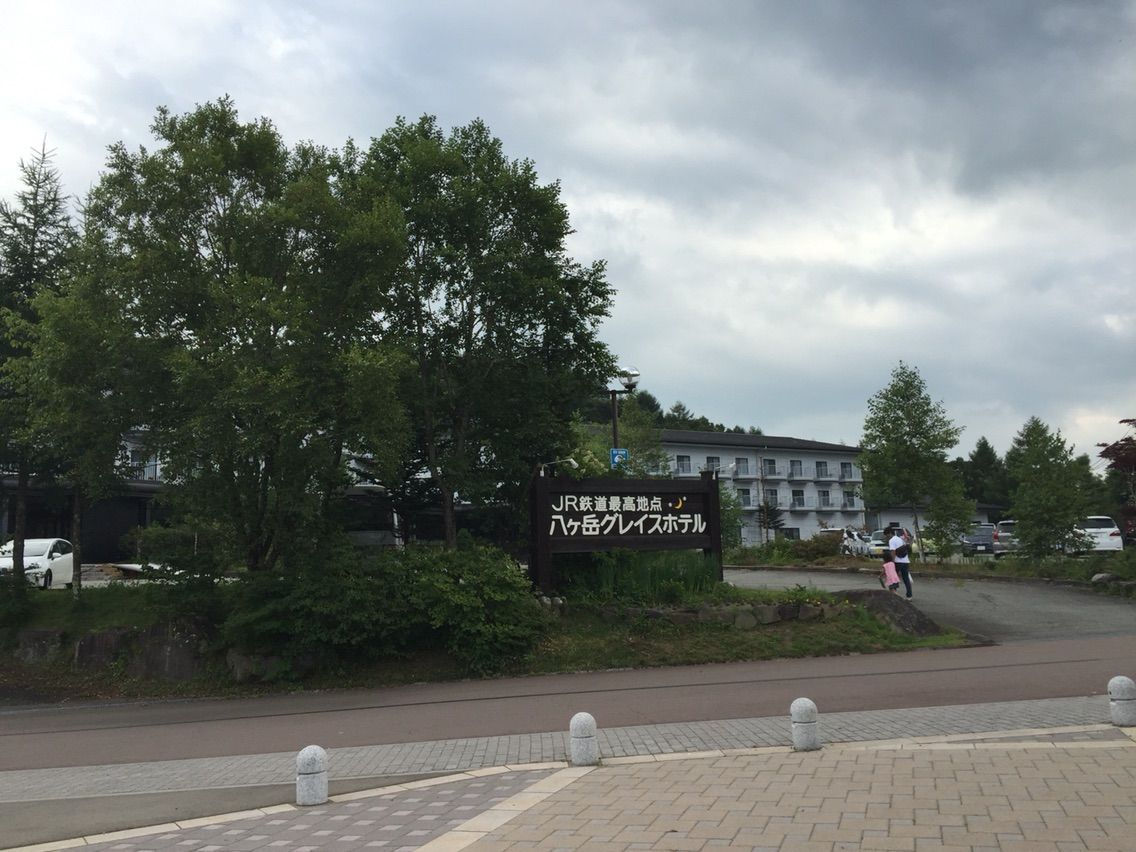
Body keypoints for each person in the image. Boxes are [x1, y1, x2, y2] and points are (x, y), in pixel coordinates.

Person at [887, 525, 913, 598]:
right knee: (906, 579)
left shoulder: (891, 540)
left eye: (886, 535)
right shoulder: (900, 539)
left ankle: (894, 593)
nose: (886, 537)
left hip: (897, 562)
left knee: (893, 577)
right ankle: (909, 596)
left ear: (889, 533)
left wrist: (892, 561)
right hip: (905, 561)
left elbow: (893, 551)